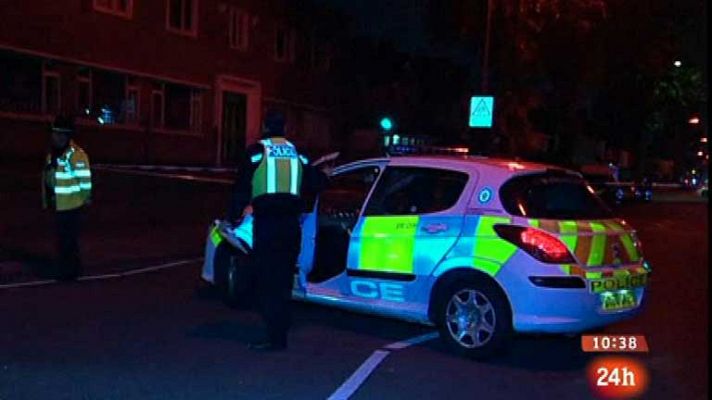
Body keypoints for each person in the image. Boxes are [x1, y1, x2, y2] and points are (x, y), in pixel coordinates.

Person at [228, 109, 329, 351]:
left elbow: (240, 188)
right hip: (291, 227)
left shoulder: (256, 152)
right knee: (283, 282)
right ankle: (280, 333)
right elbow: (317, 183)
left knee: (267, 282)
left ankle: (274, 337)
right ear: (284, 128)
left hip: (267, 225)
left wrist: (234, 216)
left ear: (264, 127)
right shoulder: (299, 153)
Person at [42, 115, 92, 280]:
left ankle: (70, 272)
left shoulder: (75, 155)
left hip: (72, 205)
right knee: (63, 240)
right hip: (60, 204)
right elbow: (49, 179)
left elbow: (85, 181)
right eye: (54, 134)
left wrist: (85, 199)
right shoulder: (54, 154)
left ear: (65, 135)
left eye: (57, 134)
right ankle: (68, 270)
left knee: (68, 241)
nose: (54, 137)